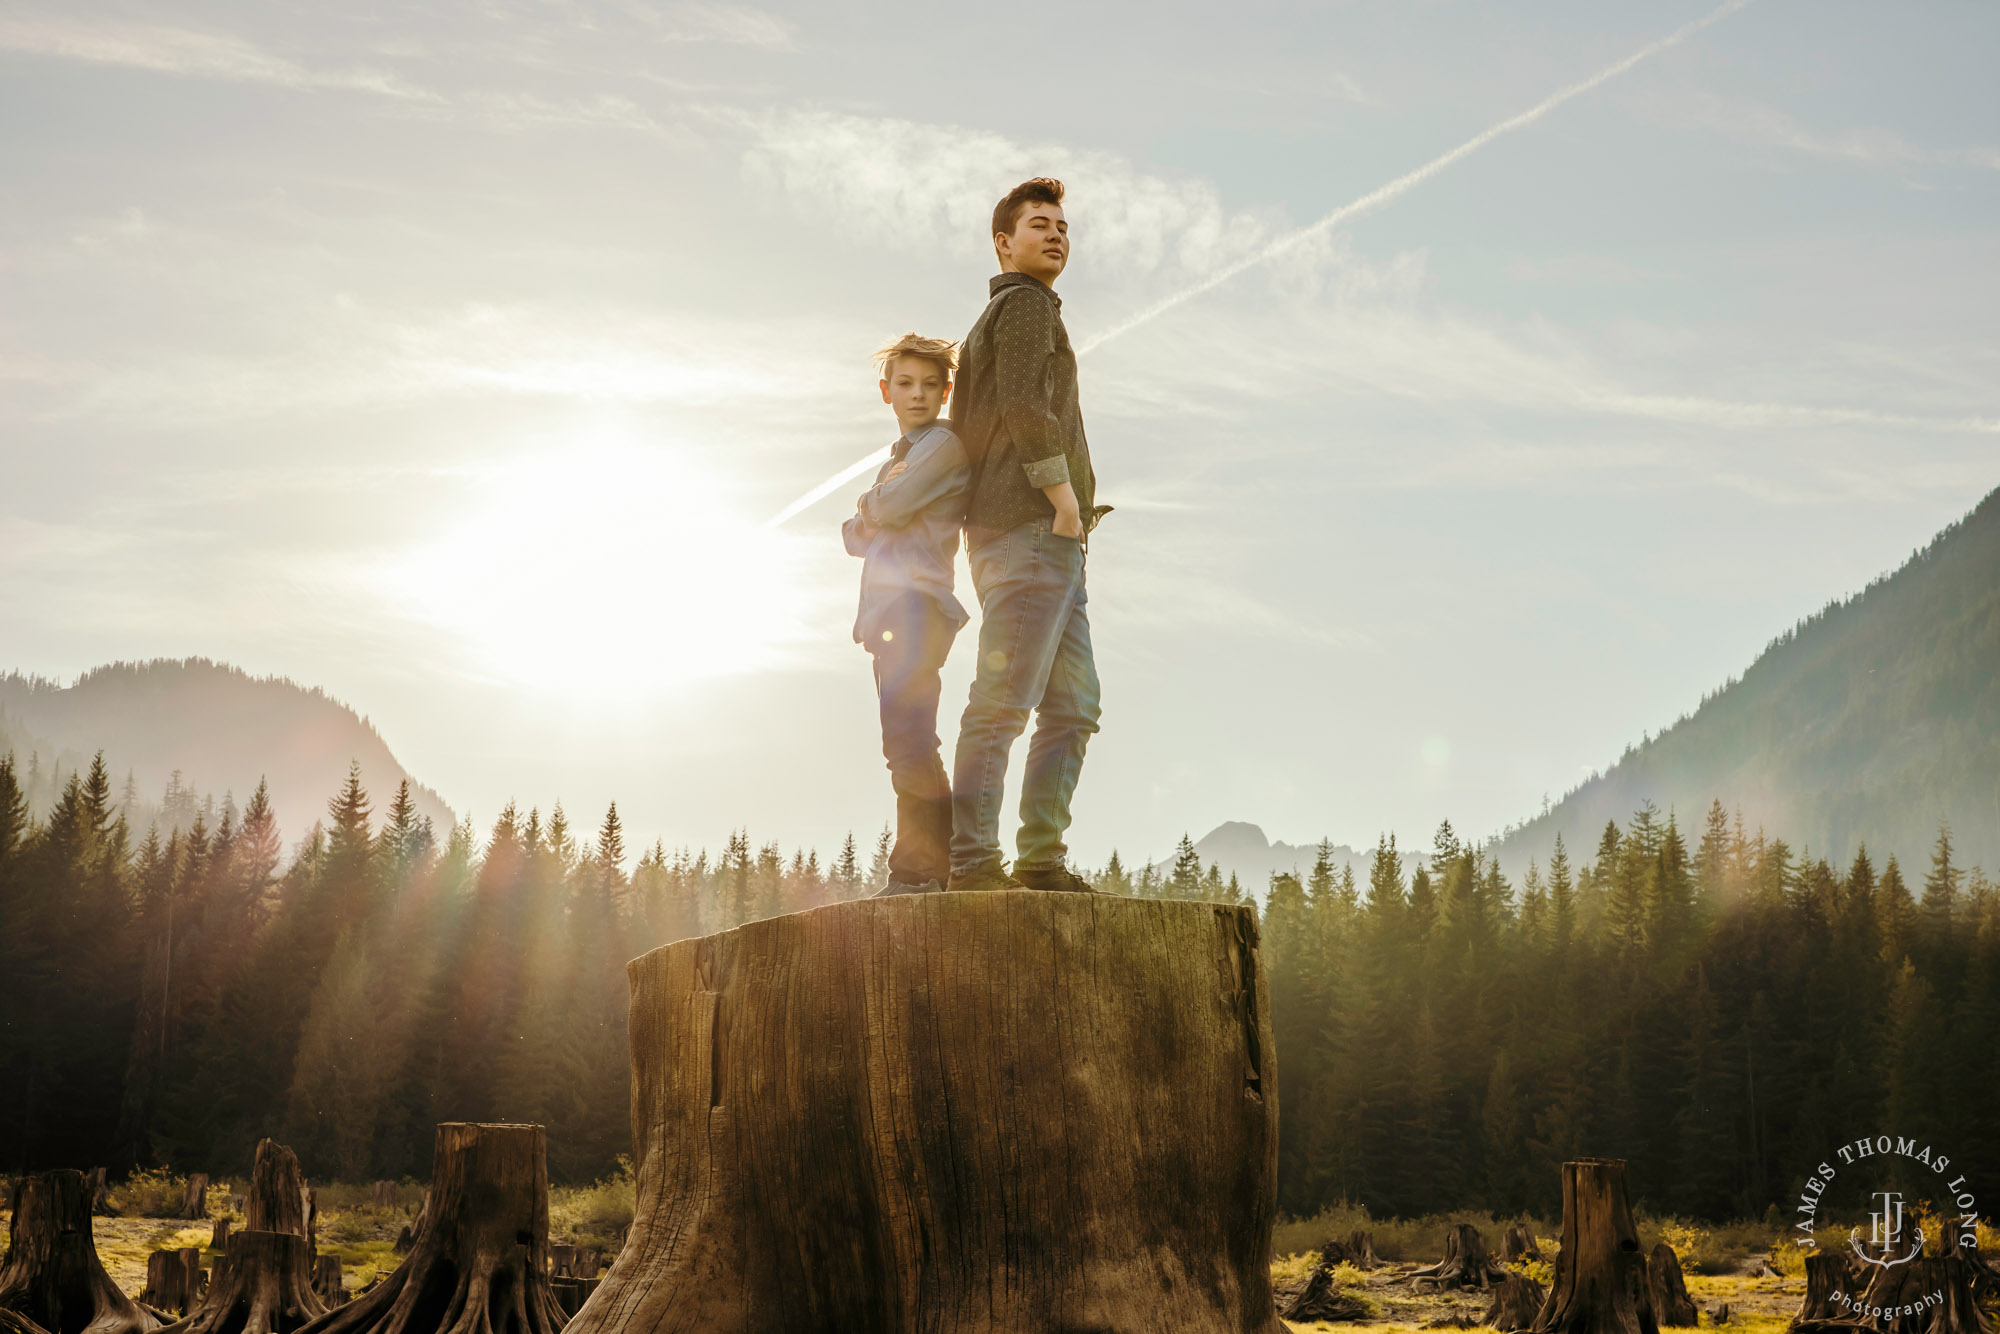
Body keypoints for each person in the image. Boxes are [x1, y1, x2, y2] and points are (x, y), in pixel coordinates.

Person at [945, 177, 1109, 895]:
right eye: (1039, 224)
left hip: (1048, 540)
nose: (1056, 234)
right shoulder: (1023, 306)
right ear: (1003, 243)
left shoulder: (1019, 312)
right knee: (1005, 699)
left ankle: (1041, 861)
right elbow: (1022, 403)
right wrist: (1062, 498)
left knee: (1074, 705)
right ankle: (975, 864)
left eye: (1063, 226)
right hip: (1031, 529)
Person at [841, 334, 972, 895]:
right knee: (906, 743)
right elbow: (851, 538)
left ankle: (921, 872)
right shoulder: (901, 459)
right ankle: (932, 869)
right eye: (905, 384)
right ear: (885, 391)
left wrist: (875, 506)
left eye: (929, 385)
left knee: (911, 741)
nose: (917, 395)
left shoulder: (941, 447)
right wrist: (876, 510)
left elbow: (877, 513)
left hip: (917, 607)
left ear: (946, 392)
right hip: (892, 615)